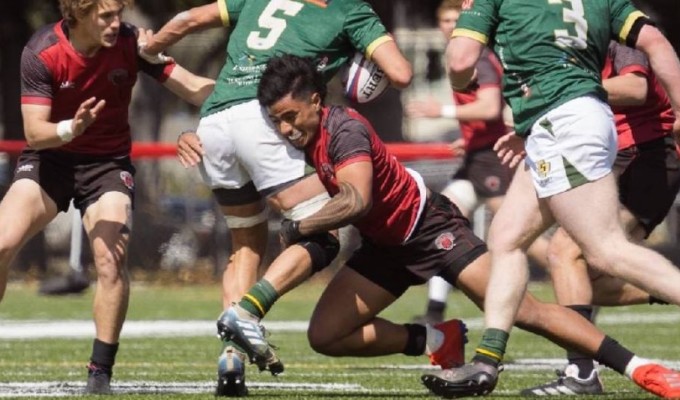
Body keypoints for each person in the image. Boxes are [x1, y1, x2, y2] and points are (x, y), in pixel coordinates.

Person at [215, 53, 678, 400]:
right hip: (387, 245)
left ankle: (640, 368)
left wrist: (300, 227)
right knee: (327, 336)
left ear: (315, 102)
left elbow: (357, 199)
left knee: (525, 312)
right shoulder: (312, 135)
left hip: (429, 229)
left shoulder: (345, 131)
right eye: (275, 121)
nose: (284, 129)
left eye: (290, 117)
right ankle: (440, 338)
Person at [141, 0, 412, 396]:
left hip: (214, 124)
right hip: (267, 119)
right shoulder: (350, 10)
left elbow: (187, 19)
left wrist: (149, 51)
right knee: (323, 234)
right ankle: (248, 311)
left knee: (245, 246)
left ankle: (231, 359)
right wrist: (362, 55)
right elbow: (401, 72)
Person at [422, 0, 680, 398]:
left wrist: (461, 89)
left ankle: (578, 373)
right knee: (507, 238)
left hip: (570, 124)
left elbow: (459, 61)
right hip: (559, 123)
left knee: (604, 251)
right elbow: (658, 43)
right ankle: (487, 362)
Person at [6, 0, 214, 394]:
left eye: (119, 13)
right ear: (76, 16)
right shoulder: (41, 51)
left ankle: (99, 373)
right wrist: (72, 127)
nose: (118, 23)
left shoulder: (130, 42)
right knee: (1, 243)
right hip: (50, 158)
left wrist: (248, 97)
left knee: (110, 259)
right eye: (107, 16)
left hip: (106, 166)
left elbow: (192, 87)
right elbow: (35, 133)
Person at [520, 41, 680, 397]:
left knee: (565, 253)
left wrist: (561, 87)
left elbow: (635, 87)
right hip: (606, 156)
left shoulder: (617, 25)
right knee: (588, 282)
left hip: (645, 157)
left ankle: (581, 373)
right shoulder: (561, 33)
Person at [406, 0, 548, 325]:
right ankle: (435, 311)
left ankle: (572, 273)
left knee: (519, 235)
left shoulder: (478, 56)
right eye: (445, 19)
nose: (450, 25)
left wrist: (438, 112)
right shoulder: (464, 56)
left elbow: (489, 108)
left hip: (492, 159)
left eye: (457, 18)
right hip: (476, 157)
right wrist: (467, 139)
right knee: (441, 221)